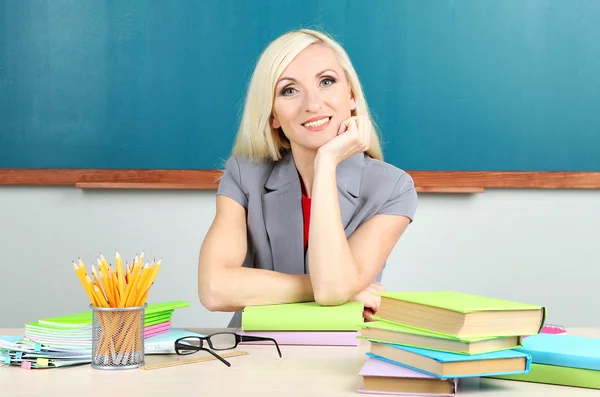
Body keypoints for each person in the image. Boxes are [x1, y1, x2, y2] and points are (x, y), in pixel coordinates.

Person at [197, 28, 418, 328]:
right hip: (253, 353)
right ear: (273, 115)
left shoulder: (393, 188)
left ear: (351, 95)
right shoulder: (243, 175)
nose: (312, 103)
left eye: (326, 82)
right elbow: (214, 289)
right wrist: (328, 287)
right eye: (289, 90)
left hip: (341, 356)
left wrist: (326, 163)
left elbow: (332, 289)